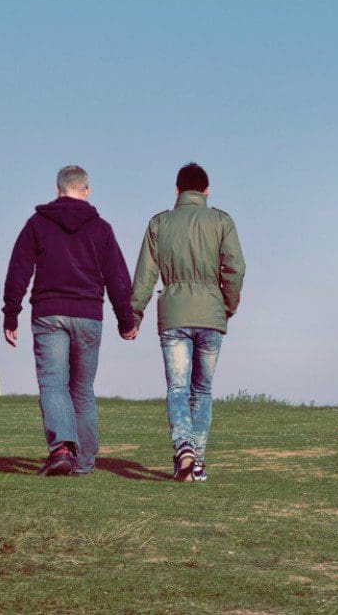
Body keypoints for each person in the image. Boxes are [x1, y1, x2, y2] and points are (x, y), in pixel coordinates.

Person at [2, 165, 137, 477]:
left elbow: (18, 270)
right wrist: (126, 321)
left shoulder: (37, 223)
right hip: (89, 315)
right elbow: (117, 277)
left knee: (53, 382)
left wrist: (11, 313)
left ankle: (62, 448)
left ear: (57, 188)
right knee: (82, 389)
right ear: (86, 190)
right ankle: (84, 462)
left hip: (49, 312)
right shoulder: (101, 228)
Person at [131, 162, 245, 482]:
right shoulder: (222, 221)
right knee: (202, 391)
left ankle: (184, 448)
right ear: (206, 191)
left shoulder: (159, 223)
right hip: (211, 313)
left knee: (178, 388)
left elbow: (145, 274)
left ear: (177, 190)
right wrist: (228, 306)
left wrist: (135, 312)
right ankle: (196, 462)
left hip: (173, 316)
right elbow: (236, 267)